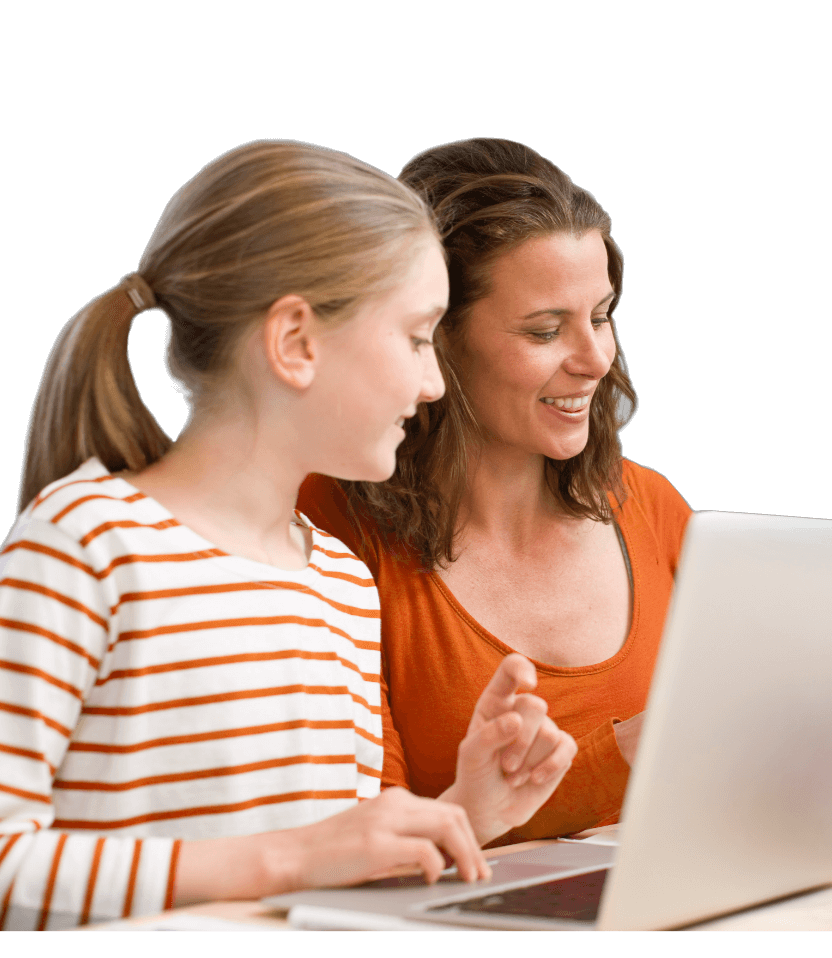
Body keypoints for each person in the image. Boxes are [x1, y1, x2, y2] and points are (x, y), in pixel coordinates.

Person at [0, 140, 576, 931]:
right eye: (415, 339)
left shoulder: (338, 580)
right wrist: (286, 858)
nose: (434, 382)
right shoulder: (88, 545)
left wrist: (463, 815)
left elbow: (320, 886)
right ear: (296, 343)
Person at [296, 138, 693, 845]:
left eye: (601, 316)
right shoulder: (326, 525)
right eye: (545, 330)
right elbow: (361, 844)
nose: (596, 360)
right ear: (434, 338)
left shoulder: (653, 506)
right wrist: (625, 755)